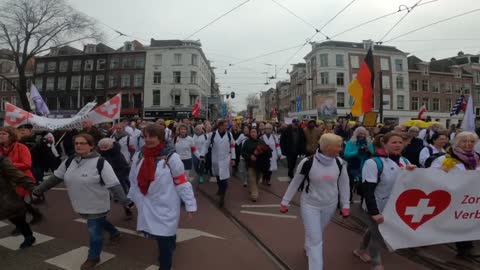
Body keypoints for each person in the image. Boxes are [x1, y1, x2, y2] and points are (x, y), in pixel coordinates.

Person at [33, 133, 132, 270]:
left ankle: (93, 257)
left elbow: (114, 184)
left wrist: (125, 201)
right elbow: (56, 177)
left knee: (94, 231)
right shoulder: (69, 161)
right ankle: (114, 232)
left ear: (91, 146)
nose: (78, 146)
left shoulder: (101, 162)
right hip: (80, 203)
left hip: (97, 204)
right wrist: (38, 190)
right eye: (76, 143)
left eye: (83, 143)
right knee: (99, 222)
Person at [128, 124, 197, 270]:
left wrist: (190, 204)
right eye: (145, 136)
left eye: (151, 136)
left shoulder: (172, 157)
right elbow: (133, 179)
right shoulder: (139, 155)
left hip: (166, 205)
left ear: (160, 138)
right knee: (160, 237)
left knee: (165, 238)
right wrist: (133, 199)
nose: (148, 139)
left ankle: (165, 265)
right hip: (147, 203)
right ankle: (168, 247)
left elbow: (182, 182)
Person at [280, 133, 350, 270]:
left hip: (330, 204)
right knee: (316, 240)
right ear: (327, 147)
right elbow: (295, 182)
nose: (340, 149)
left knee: (317, 232)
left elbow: (344, 184)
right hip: (310, 205)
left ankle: (308, 246)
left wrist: (345, 204)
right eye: (338, 146)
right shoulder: (307, 162)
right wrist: (285, 201)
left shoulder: (339, 163)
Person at [354, 132, 416, 270]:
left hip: (393, 207)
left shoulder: (405, 161)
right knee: (378, 235)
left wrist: (413, 172)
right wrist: (374, 212)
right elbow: (368, 190)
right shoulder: (373, 162)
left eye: (400, 142)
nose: (398, 145)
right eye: (394, 142)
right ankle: (377, 264)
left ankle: (360, 250)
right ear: (384, 143)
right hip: (375, 205)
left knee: (373, 230)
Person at [431, 131, 480, 257]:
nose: (468, 144)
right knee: (458, 221)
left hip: (473, 198)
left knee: (470, 220)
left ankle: (468, 245)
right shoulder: (445, 158)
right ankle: (463, 247)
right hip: (454, 197)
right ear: (457, 142)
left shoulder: (478, 158)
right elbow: (431, 176)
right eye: (464, 141)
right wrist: (442, 171)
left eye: (471, 141)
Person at [0, 126, 42, 226]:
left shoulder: (21, 147)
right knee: (17, 202)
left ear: (11, 136)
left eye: (3, 134)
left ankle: (22, 226)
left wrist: (7, 164)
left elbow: (27, 164)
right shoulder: (1, 148)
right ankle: (34, 214)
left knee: (16, 202)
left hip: (21, 179)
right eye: (0, 133)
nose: (0, 135)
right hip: (7, 181)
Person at [0, 157, 37, 249]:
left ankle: (28, 236)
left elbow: (18, 176)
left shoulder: (1, 162)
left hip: (4, 197)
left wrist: (35, 190)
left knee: (16, 218)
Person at [202, 120, 235, 207]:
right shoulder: (212, 135)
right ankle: (220, 189)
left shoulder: (229, 134)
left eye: (226, 125)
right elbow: (206, 145)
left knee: (224, 180)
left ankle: (222, 196)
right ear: (219, 126)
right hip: (215, 160)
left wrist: (233, 158)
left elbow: (232, 145)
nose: (225, 127)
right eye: (224, 125)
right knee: (218, 177)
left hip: (225, 160)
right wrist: (202, 155)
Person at [344, 127, 374, 201]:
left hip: (366, 165)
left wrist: (368, 151)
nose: (362, 135)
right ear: (356, 134)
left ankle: (363, 200)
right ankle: (348, 199)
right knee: (350, 184)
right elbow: (346, 154)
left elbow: (373, 153)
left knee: (365, 184)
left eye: (364, 134)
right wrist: (357, 152)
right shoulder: (351, 142)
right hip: (353, 165)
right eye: (360, 133)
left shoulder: (369, 142)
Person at [242, 128, 271, 202]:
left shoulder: (261, 141)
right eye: (251, 132)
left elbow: (267, 151)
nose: (253, 133)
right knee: (252, 179)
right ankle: (254, 195)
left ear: (257, 133)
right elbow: (243, 152)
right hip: (250, 164)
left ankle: (253, 189)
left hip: (260, 165)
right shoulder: (246, 142)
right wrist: (250, 156)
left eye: (254, 132)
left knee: (258, 179)